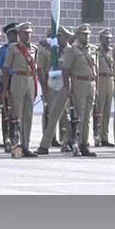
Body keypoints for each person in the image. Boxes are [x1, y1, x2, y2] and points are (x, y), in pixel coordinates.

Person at [62, 23, 99, 157]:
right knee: (79, 115)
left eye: (88, 34)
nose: (87, 37)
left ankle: (84, 143)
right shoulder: (73, 50)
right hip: (79, 83)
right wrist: (67, 88)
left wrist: (97, 87)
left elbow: (96, 70)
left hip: (91, 84)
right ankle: (75, 142)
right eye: (84, 34)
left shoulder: (93, 50)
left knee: (88, 116)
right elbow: (66, 70)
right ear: (77, 35)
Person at [36, 25, 74, 154]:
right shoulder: (51, 49)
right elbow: (40, 68)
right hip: (52, 85)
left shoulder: (70, 50)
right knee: (52, 115)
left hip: (65, 85)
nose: (67, 39)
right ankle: (45, 144)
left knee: (67, 117)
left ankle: (68, 142)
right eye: (65, 37)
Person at [3, 22, 39, 157]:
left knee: (28, 115)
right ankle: (16, 147)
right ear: (19, 34)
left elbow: (34, 69)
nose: (28, 35)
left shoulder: (34, 49)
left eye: (29, 33)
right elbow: (6, 69)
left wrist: (35, 86)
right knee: (17, 115)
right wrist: (5, 88)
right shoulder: (13, 48)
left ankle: (26, 145)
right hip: (18, 79)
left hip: (29, 80)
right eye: (25, 33)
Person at [0, 22, 18, 152]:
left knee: (17, 111)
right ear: (8, 35)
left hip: (19, 81)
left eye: (16, 33)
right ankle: (6, 138)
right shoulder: (4, 50)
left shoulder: (23, 48)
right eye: (13, 34)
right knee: (6, 112)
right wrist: (0, 88)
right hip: (7, 81)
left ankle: (16, 138)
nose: (15, 36)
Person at [95, 28, 115, 147]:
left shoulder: (111, 52)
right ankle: (97, 135)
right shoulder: (97, 51)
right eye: (106, 38)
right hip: (101, 80)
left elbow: (114, 68)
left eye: (109, 38)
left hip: (110, 80)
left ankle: (105, 136)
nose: (108, 40)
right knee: (99, 110)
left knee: (107, 111)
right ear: (101, 38)